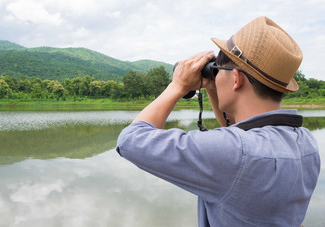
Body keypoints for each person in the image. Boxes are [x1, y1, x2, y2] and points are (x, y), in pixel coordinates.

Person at [116, 16, 320, 226]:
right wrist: (214, 88)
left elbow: (130, 141)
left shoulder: (233, 152)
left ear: (237, 79)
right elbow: (241, 134)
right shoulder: (306, 142)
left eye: (218, 71)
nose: (215, 76)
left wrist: (177, 86)